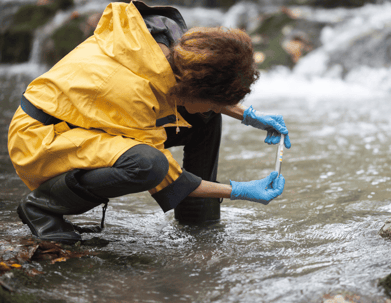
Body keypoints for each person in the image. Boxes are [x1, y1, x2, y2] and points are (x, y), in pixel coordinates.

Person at [7, 1, 291, 244]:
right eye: (215, 100)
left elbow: (201, 96)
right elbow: (168, 177)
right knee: (148, 164)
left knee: (205, 118)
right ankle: (42, 207)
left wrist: (249, 116)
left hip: (79, 119)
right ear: (194, 87)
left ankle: (198, 219)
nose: (219, 107)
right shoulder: (134, 93)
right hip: (41, 139)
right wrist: (239, 191)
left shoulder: (171, 46)